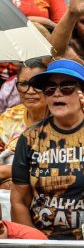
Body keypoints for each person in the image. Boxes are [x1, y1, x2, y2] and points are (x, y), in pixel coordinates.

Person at [11, 59, 84, 239]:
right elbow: (19, 199)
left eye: (66, 87)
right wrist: (34, 244)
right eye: (50, 89)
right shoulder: (29, 137)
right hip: (44, 243)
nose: (57, 93)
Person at [0, 58, 47, 187]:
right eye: (24, 84)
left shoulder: (59, 120)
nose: (30, 91)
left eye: (37, 84)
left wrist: (7, 172)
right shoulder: (9, 117)